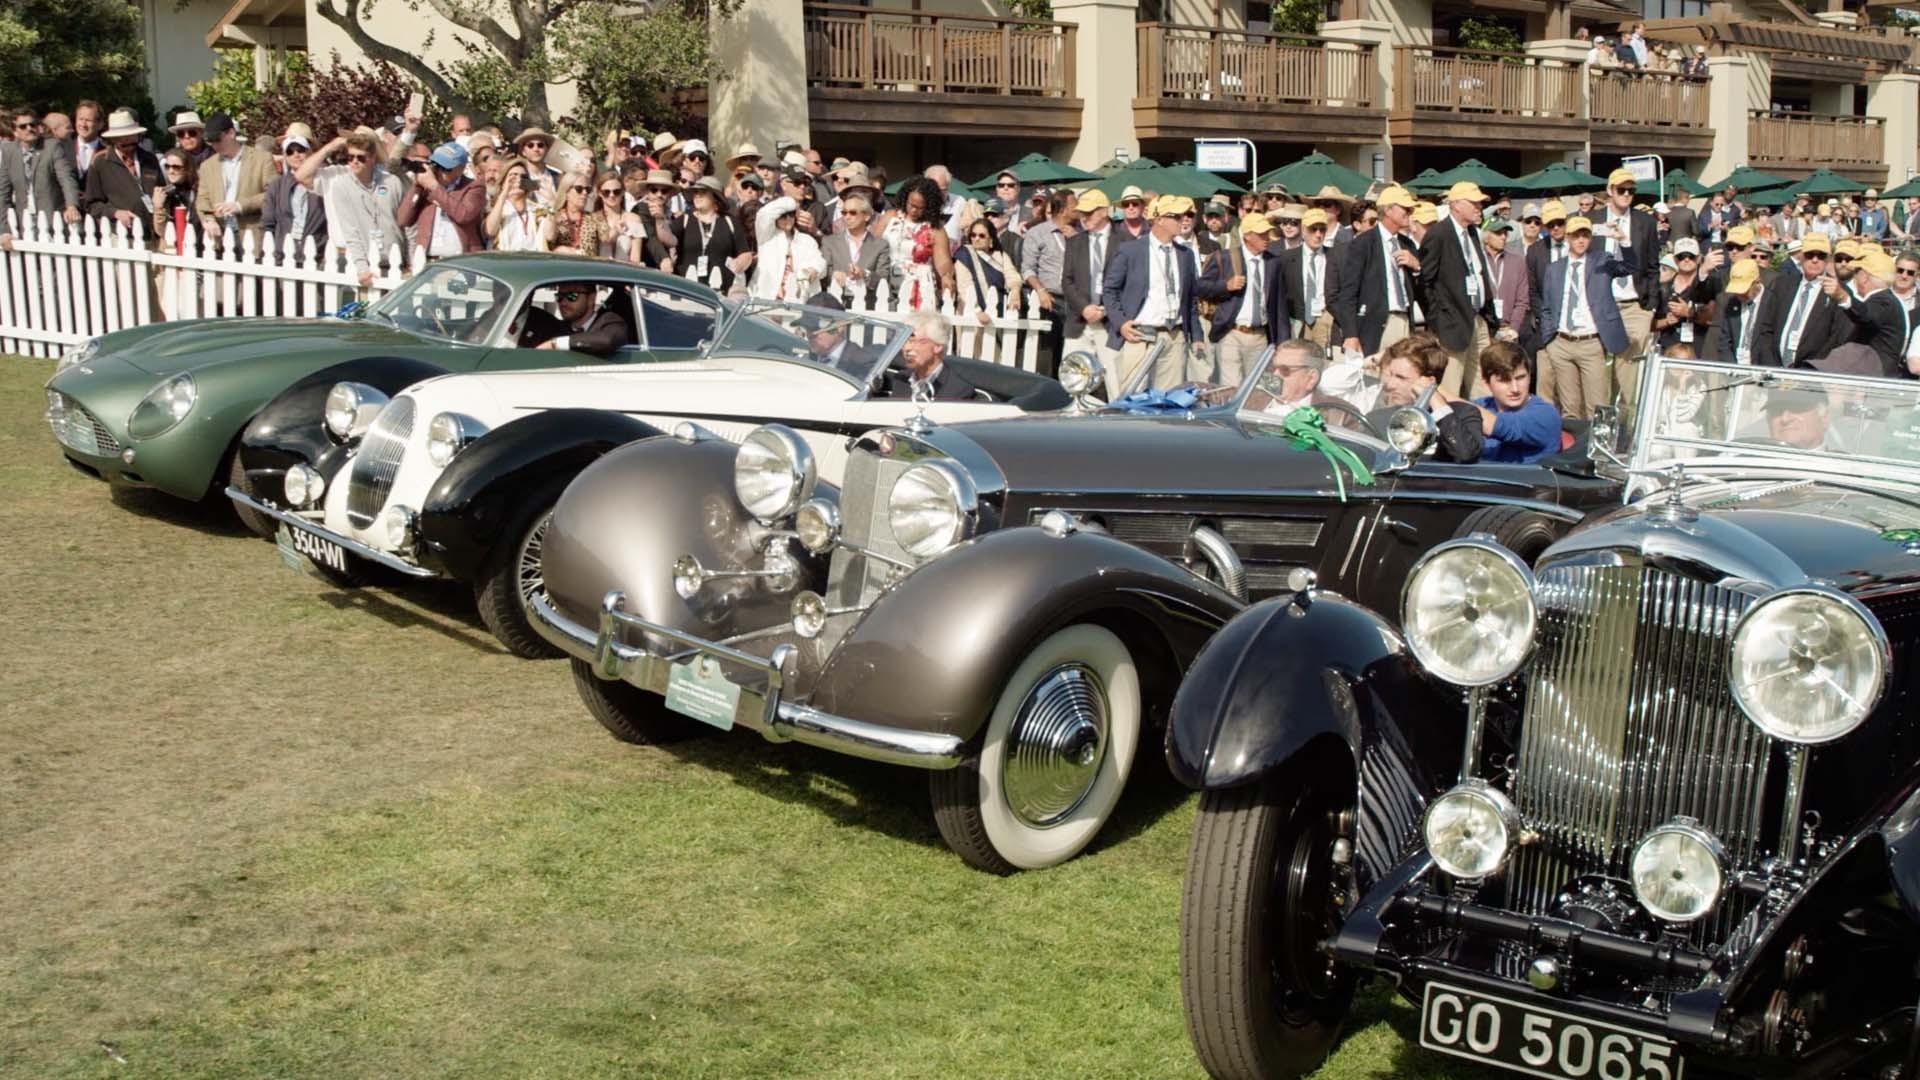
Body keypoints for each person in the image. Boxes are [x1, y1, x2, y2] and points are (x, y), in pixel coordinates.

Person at [1536, 216, 1636, 418]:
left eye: (1585, 236)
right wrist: (1549, 340)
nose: (1581, 240)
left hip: (1590, 343)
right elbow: (1547, 307)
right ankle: (1573, 439)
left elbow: (1630, 267)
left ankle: (1597, 438)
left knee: (1597, 407)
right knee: (1570, 408)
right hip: (1561, 342)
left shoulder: (1601, 261)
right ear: (1567, 238)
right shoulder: (1554, 269)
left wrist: (1623, 241)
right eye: (1576, 236)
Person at [1419, 181, 1499, 397]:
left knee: (1483, 387)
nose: (1479, 208)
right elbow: (1425, 282)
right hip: (1452, 324)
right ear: (1455, 205)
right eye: (1474, 203)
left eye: (1480, 203)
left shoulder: (1472, 233)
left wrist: (1488, 317)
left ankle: (1481, 418)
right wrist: (1439, 320)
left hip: (1477, 319)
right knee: (1450, 388)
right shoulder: (1439, 234)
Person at [296, 129, 406, 287]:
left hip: (387, 257)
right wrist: (330, 147)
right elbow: (301, 176)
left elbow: (405, 221)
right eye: (350, 157)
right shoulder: (336, 176)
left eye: (361, 157)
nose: (355, 161)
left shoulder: (388, 179)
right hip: (344, 254)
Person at [1196, 210, 1285, 386]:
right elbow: (1200, 287)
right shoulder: (1225, 257)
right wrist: (1225, 286)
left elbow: (1279, 305)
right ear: (1247, 236)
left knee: (1256, 387)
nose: (1266, 237)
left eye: (1267, 233)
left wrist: (1282, 341)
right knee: (1231, 387)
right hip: (1231, 332)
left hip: (1260, 335)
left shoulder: (1273, 262)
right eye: (1261, 234)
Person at [1336, 184, 1422, 360]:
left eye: (1411, 209)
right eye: (1405, 208)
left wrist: (1417, 267)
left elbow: (1420, 289)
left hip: (1404, 320)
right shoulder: (1363, 243)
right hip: (1374, 324)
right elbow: (1348, 293)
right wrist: (1351, 334)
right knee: (1374, 373)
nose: (1410, 212)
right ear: (1388, 210)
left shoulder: (1407, 244)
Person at [1374, 333, 1484, 462]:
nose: (1390, 384)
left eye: (1401, 378)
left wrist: (1434, 399)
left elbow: (1465, 454)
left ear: (1429, 381)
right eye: (1391, 375)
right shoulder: (1379, 418)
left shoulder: (1463, 414)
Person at [1448, 340, 1562, 463]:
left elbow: (1501, 427)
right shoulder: (1482, 405)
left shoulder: (1545, 414)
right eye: (1504, 380)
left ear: (1530, 376)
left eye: (1520, 378)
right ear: (1486, 383)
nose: (1515, 389)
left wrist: (1436, 390)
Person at [1754, 232, 1847, 367]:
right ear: (1801, 256)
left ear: (1828, 259)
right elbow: (1766, 327)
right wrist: (1771, 365)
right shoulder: (1782, 284)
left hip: (1811, 372)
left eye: (1820, 256)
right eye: (1810, 255)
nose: (1814, 260)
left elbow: (1835, 339)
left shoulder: (1837, 291)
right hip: (1775, 368)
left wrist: (1810, 370)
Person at [0, 107, 82, 251]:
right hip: (24, 223)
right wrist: (4, 230)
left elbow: (66, 178)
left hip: (53, 220)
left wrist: (71, 205)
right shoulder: (9, 152)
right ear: (15, 131)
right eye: (23, 126)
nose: (29, 128)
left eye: (33, 124)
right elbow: (3, 193)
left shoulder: (52, 146)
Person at [193, 112, 274, 251]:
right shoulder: (207, 166)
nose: (214, 145)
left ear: (231, 133)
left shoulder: (262, 159)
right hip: (220, 236)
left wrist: (240, 205)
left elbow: (272, 194)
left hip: (250, 235)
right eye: (210, 141)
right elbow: (202, 199)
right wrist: (208, 219)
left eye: (217, 139)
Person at [82, 109, 164, 241]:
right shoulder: (100, 162)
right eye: (120, 137)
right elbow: (91, 204)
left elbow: (162, 190)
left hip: (152, 233)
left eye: (130, 135)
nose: (126, 140)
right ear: (112, 139)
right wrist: (115, 213)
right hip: (119, 236)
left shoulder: (150, 159)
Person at [1060, 189, 1117, 376]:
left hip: (1111, 323)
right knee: (1073, 379)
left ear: (1104, 211)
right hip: (1079, 323)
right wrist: (1084, 308)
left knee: (1116, 382)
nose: (1084, 217)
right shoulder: (1075, 242)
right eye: (1081, 213)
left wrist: (1105, 310)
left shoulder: (1125, 241)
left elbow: (1130, 284)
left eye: (1089, 212)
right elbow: (1067, 281)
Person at [397, 141, 486, 259]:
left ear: (460, 168)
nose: (439, 172)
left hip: (461, 259)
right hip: (430, 259)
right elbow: (403, 220)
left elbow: (463, 216)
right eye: (437, 166)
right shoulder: (426, 188)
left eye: (445, 168)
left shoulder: (474, 187)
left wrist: (435, 187)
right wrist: (417, 186)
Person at [879, 175, 953, 310]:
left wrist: (946, 277)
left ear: (929, 207)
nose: (914, 210)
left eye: (920, 207)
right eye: (911, 205)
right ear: (905, 198)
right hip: (885, 282)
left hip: (918, 287)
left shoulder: (935, 229)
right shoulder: (890, 217)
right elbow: (873, 247)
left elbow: (943, 264)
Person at [1832, 249, 1907, 375]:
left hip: (1872, 379)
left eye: (1856, 272)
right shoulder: (1886, 300)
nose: (1854, 277)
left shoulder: (1884, 301)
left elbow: (1867, 316)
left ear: (1864, 277)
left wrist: (1843, 298)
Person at [259, 126, 327, 263]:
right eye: (290, 151)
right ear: (284, 155)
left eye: (300, 149)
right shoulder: (277, 185)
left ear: (311, 151)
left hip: (317, 258)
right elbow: (267, 223)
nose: (296, 154)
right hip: (282, 258)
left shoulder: (326, 182)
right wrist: (266, 255)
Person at [1241, 339, 1349, 419]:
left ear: (1311, 378)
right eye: (1272, 368)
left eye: (1285, 369)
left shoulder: (1340, 414)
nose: (1275, 374)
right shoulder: (1246, 399)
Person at [676, 176, 749, 293]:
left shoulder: (730, 222)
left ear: (715, 197)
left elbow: (745, 253)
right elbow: (668, 241)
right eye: (695, 192)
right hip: (687, 290)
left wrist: (740, 263)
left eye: (703, 192)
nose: (697, 196)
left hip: (721, 291)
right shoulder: (684, 220)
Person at [1278, 208, 1336, 348]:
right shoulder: (1286, 257)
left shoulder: (1334, 255)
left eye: (1322, 230)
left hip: (1325, 318)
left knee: (1324, 358)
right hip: (1298, 320)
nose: (1318, 234)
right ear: (1303, 230)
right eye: (1313, 229)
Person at [887, 309, 976, 399]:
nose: (906, 348)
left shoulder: (958, 391)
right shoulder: (901, 379)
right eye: (905, 341)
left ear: (938, 346)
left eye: (914, 342)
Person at [751, 193, 826, 301]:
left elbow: (820, 263)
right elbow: (764, 214)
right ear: (775, 217)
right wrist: (793, 204)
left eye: (791, 214)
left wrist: (813, 270)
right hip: (767, 299)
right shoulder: (767, 236)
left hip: (797, 300)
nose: (788, 219)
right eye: (783, 216)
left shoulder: (806, 240)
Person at [1653, 237, 1721, 354]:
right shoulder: (1663, 288)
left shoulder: (1711, 284)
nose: (1686, 260)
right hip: (1669, 349)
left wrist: (1689, 313)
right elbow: (1650, 324)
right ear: (1675, 259)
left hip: (1699, 349)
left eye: (1691, 256)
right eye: (1681, 256)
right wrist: (1667, 321)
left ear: (1699, 258)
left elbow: (1714, 319)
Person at [525, 282, 631, 355]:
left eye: (572, 296)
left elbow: (607, 340)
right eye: (560, 296)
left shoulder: (609, 320)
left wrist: (555, 344)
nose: (563, 303)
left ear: (591, 298)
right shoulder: (555, 327)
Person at [955, 216, 1022, 325]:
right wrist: (977, 311)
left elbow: (1012, 275)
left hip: (998, 313)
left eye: (981, 236)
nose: (976, 239)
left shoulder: (1000, 256)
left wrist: (1015, 290)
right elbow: (964, 286)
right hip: (970, 315)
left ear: (991, 239)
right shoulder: (965, 255)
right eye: (973, 235)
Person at [799, 292, 878, 377]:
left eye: (816, 327)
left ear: (839, 326)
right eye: (807, 326)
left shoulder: (862, 363)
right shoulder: (806, 359)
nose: (810, 334)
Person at [151, 148, 202, 253]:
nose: (171, 171)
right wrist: (158, 208)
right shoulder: (165, 192)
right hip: (172, 249)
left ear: (187, 168)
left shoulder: (199, 190)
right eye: (167, 166)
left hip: (197, 247)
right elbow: (161, 231)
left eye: (176, 167)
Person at [486, 157, 541, 252]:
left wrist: (551, 200)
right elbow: (490, 231)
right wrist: (504, 192)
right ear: (503, 182)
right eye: (513, 176)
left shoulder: (537, 210)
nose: (519, 180)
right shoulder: (494, 207)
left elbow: (550, 236)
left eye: (523, 177)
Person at [70, 101, 104, 181]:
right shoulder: (63, 148)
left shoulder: (107, 151)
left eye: (88, 120)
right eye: (80, 119)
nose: (83, 124)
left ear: (100, 124)